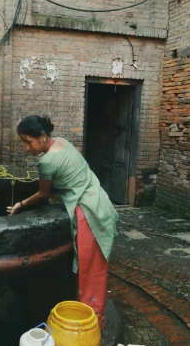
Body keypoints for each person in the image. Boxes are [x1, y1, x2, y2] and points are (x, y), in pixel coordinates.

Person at [8, 115, 118, 327]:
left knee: (89, 269)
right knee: (96, 266)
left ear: (42, 136)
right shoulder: (63, 143)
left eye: (28, 142)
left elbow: (42, 194)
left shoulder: (46, 161)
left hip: (88, 213)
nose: (26, 148)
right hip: (101, 203)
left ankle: (89, 325)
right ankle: (91, 315)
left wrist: (20, 204)